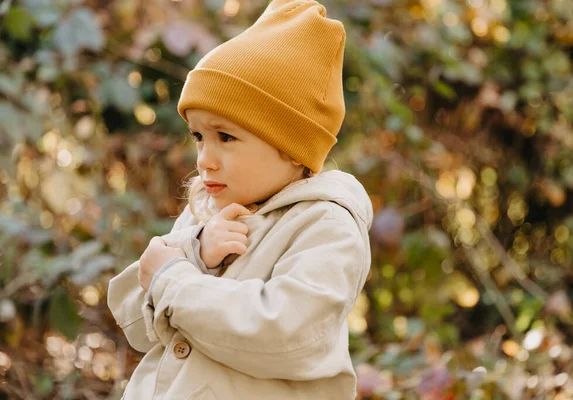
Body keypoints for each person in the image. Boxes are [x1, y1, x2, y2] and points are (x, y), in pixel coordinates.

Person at [106, 0, 373, 398]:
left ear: (291, 147)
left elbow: (284, 333)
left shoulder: (327, 226)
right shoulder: (207, 207)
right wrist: (193, 252)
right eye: (198, 136)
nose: (204, 160)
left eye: (225, 137)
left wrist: (174, 279)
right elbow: (132, 318)